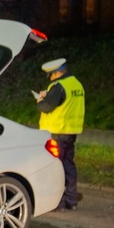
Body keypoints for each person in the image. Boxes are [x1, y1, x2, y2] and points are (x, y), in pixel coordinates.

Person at [36, 57, 85, 211]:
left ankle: (59, 203)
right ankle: (72, 201)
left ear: (57, 73)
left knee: (55, 167)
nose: (50, 78)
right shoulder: (77, 84)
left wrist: (40, 99)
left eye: (51, 75)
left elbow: (46, 107)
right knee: (68, 165)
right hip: (71, 131)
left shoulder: (58, 86)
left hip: (57, 131)